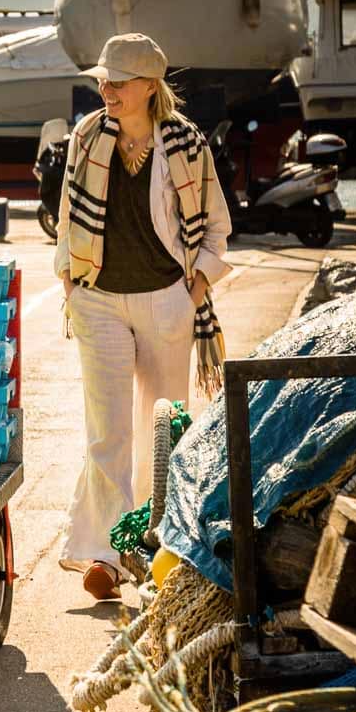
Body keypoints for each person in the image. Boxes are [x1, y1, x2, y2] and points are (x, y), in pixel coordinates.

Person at [53, 33, 231, 601]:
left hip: (165, 299)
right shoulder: (87, 136)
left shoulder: (186, 143)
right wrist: (69, 283)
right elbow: (67, 214)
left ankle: (156, 545)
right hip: (98, 298)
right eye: (103, 81)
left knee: (165, 431)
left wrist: (194, 290)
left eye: (118, 83)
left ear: (150, 87)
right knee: (107, 432)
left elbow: (217, 226)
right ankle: (106, 554)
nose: (106, 91)